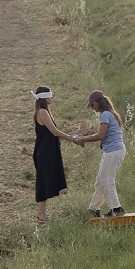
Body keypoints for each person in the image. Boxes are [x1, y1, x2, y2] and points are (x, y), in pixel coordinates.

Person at [31, 86, 81, 223]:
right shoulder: (42, 112)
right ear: (43, 97)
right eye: (50, 95)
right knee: (43, 183)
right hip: (45, 152)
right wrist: (73, 138)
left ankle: (41, 215)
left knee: (45, 181)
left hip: (46, 150)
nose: (52, 97)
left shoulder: (41, 111)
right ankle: (40, 216)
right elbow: (55, 132)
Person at [75, 90, 126, 218]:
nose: (92, 108)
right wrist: (82, 138)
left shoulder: (105, 114)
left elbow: (100, 135)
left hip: (113, 151)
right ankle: (93, 209)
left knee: (107, 180)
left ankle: (116, 209)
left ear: (97, 103)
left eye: (92, 105)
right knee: (100, 181)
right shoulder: (110, 114)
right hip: (113, 151)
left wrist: (82, 139)